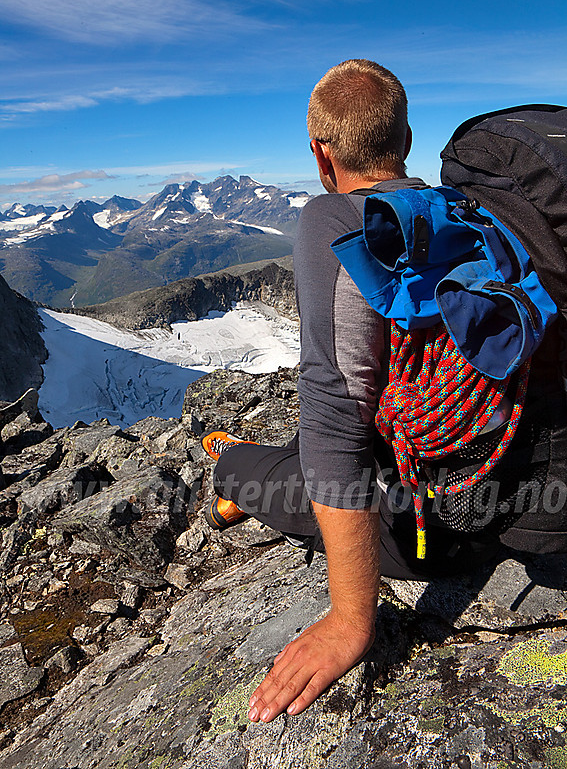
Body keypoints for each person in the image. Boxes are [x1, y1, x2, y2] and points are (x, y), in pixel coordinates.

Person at [200, 59, 567, 722]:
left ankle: (232, 469)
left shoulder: (334, 220)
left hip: (477, 502)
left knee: (308, 479)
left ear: (319, 152)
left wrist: (348, 620)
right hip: (535, 448)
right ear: (405, 137)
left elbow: (336, 421)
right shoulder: (471, 214)